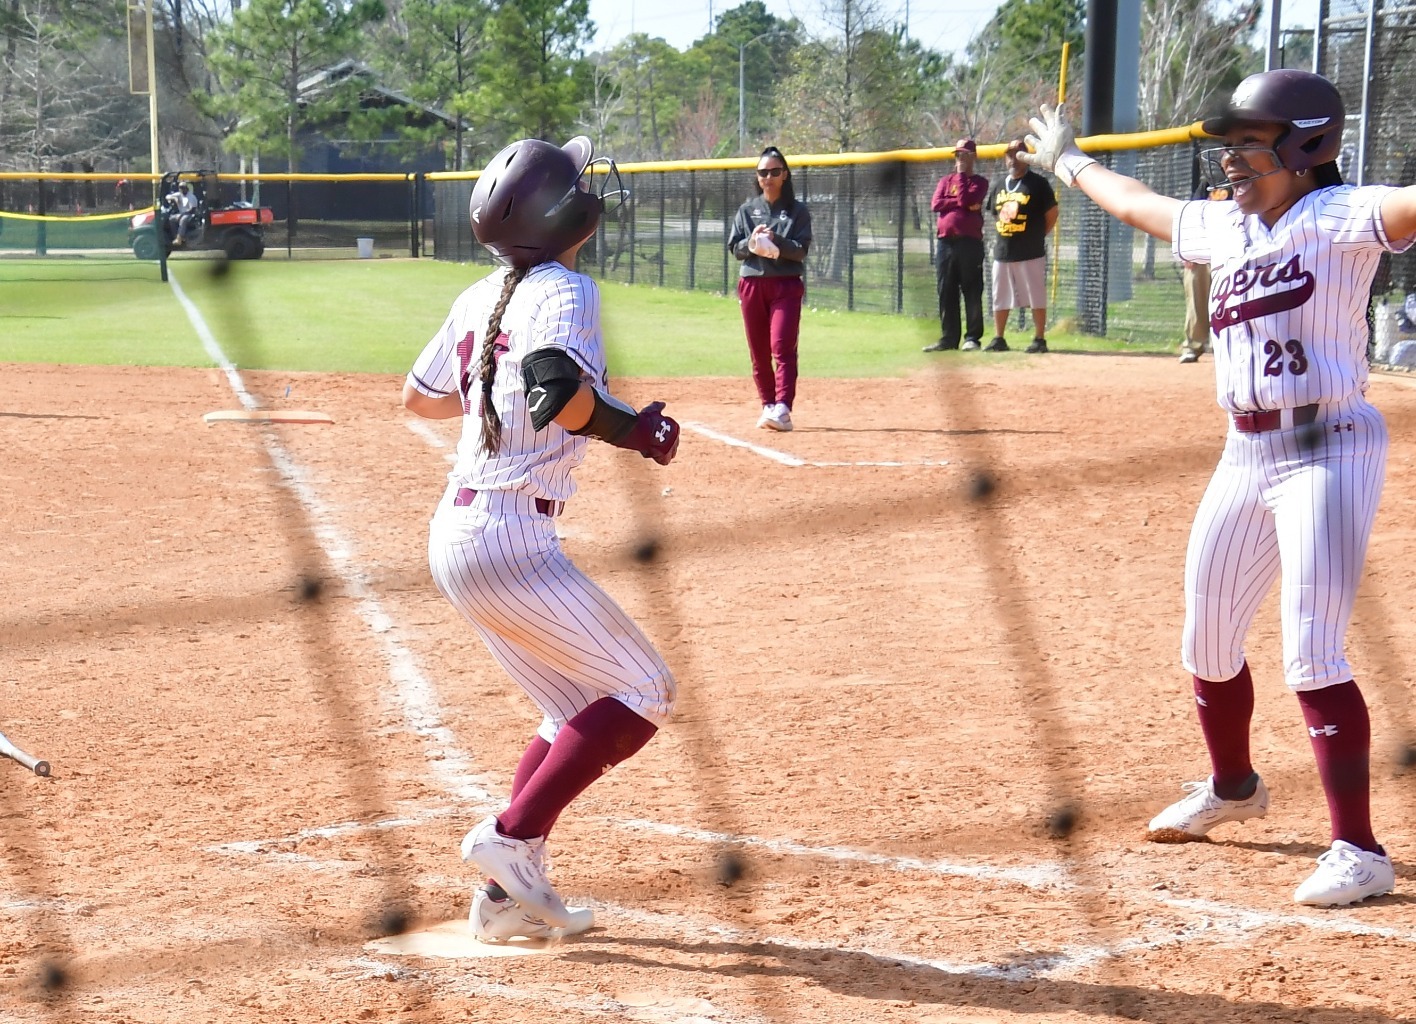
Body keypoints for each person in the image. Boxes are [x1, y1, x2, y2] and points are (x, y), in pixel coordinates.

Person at [1022, 69, 1416, 906]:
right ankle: (1234, 787)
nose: (1231, 157)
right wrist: (1069, 163)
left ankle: (1360, 850)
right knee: (1206, 640)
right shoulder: (1223, 225)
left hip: (1328, 444)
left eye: (1249, 142)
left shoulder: (1339, 215)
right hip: (1244, 451)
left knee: (1311, 649)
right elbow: (1138, 203)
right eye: (1229, 144)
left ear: (1306, 147)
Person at [402, 135, 680, 941]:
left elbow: (418, 398)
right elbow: (557, 391)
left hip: (460, 533)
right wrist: (637, 432)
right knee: (646, 691)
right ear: (559, 214)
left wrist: (490, 392)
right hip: (509, 537)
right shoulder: (566, 287)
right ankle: (510, 836)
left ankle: (502, 900)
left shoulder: (480, 294)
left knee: (571, 707)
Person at [728, 146, 812, 432]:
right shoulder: (747, 210)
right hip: (752, 283)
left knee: (782, 346)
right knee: (759, 350)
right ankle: (768, 405)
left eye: (775, 172)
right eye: (763, 172)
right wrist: (751, 242)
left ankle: (783, 408)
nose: (768, 177)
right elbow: (735, 248)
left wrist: (776, 240)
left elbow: (800, 250)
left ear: (785, 175)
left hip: (785, 284)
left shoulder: (797, 211)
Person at [987, 139, 1058, 353]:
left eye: (1018, 155)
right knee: (1000, 295)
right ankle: (999, 338)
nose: (1013, 160)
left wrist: (1037, 235)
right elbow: (995, 213)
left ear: (1026, 158)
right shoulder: (1000, 184)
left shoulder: (1038, 184)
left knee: (1035, 295)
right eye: (1010, 155)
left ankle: (1039, 339)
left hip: (1030, 251)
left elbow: (1052, 214)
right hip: (1003, 251)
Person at [924, 138, 989, 352]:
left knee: (971, 290)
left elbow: (966, 199)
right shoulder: (946, 180)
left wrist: (961, 178)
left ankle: (972, 338)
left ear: (973, 157)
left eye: (964, 154)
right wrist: (960, 203)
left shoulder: (979, 182)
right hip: (945, 243)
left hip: (969, 243)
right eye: (958, 154)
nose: (960, 158)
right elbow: (936, 204)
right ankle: (949, 338)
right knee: (946, 290)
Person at [1179, 182, 1233, 363]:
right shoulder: (1209, 182)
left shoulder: (1247, 177)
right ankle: (1193, 345)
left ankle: (1227, 347)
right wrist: (1189, 249)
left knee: (1231, 300)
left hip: (1234, 249)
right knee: (1196, 297)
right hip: (1203, 249)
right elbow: (1192, 215)